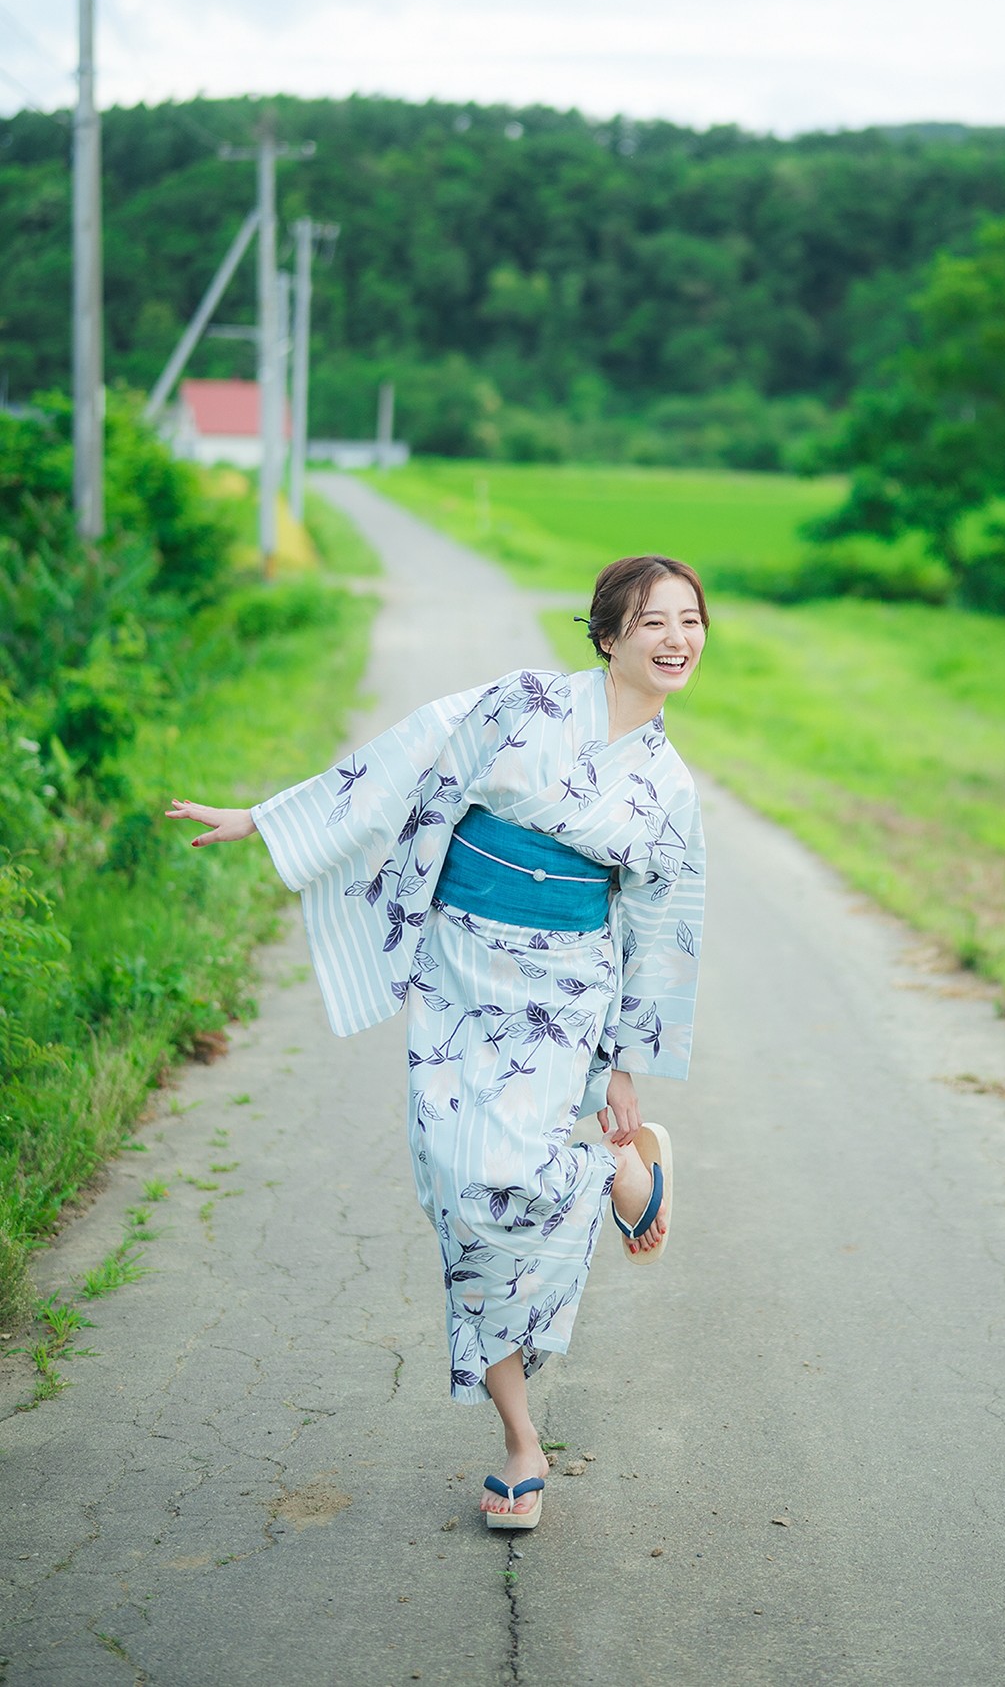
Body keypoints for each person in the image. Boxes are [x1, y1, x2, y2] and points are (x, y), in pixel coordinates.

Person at [167, 555, 707, 1532]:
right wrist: (265, 819)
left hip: (566, 989)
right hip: (462, 971)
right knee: (457, 1190)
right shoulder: (524, 704)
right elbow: (410, 760)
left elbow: (662, 931)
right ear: (607, 635)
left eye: (692, 622)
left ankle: (610, 1181)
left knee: (502, 1181)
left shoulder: (668, 788)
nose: (677, 640)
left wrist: (622, 1066)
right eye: (655, 622)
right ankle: (522, 1428)